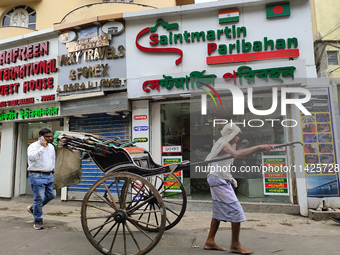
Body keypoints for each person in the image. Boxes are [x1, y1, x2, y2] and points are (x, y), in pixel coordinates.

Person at [204, 123, 273, 254]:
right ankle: (235, 245)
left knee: (218, 212)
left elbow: (240, 152)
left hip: (218, 178)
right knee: (236, 211)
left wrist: (260, 149)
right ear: (230, 134)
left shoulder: (224, 143)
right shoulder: (223, 143)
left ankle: (210, 241)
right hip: (218, 179)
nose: (238, 138)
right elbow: (236, 154)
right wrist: (259, 146)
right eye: (237, 135)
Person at [27, 128, 56, 230]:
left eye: (51, 136)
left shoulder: (51, 147)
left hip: (49, 175)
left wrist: (53, 170)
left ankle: (33, 208)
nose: (50, 138)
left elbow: (52, 160)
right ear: (40, 136)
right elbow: (31, 158)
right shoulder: (33, 146)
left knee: (52, 195)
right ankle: (38, 219)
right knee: (39, 198)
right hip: (37, 175)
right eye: (47, 137)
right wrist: (42, 148)